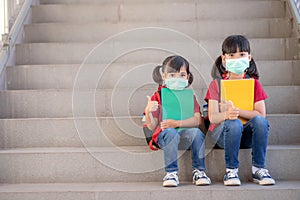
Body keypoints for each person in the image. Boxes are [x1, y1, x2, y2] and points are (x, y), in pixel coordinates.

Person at [204, 35, 275, 186]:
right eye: (231, 55)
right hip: (223, 135)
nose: (237, 58)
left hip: (247, 135)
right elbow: (213, 117)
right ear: (224, 59)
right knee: (233, 122)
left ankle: (259, 169)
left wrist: (237, 111)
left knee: (260, 122)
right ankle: (231, 170)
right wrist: (227, 115)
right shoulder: (216, 84)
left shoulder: (254, 84)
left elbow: (261, 115)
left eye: (242, 54)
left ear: (249, 57)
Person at [144, 55, 211, 187]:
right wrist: (148, 111)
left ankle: (199, 171)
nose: (177, 79)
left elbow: (197, 120)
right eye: (172, 75)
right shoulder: (158, 96)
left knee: (197, 133)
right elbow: (152, 126)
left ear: (187, 77)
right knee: (170, 133)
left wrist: (177, 124)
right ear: (164, 76)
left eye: (182, 75)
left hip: (186, 133)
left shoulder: (189, 96)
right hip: (166, 136)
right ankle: (171, 173)